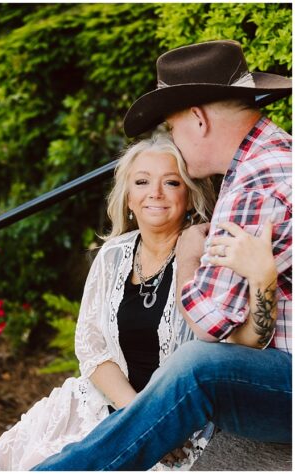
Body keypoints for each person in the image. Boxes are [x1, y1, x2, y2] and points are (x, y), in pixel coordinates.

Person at [34, 40, 291, 471]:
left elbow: (209, 325)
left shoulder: (255, 183)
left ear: (198, 119)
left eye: (172, 128)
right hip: (274, 368)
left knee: (196, 365)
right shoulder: (267, 159)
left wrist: (189, 255)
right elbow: (245, 335)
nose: (173, 140)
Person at [0, 131, 220, 470]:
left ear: (188, 197)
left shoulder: (204, 257)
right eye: (142, 182)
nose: (155, 193)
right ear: (128, 198)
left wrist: (158, 428)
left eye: (171, 182)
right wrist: (139, 420)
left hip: (182, 426)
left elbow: (214, 353)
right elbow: (92, 346)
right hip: (109, 407)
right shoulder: (113, 255)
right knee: (36, 458)